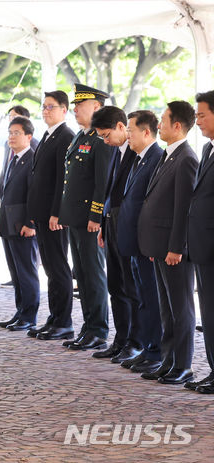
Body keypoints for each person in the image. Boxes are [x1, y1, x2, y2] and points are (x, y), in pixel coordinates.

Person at [138, 101, 198, 385]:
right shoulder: (168, 155)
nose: (158, 125)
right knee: (167, 307)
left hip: (174, 249)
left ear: (177, 125)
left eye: (163, 120)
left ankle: (183, 364)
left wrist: (176, 247)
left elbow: (184, 208)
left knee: (181, 307)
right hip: (160, 246)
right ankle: (169, 360)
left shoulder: (186, 157)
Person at [58, 84, 115, 351]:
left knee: (93, 275)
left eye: (80, 105)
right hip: (75, 218)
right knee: (81, 274)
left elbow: (102, 182)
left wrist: (96, 215)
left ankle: (99, 330)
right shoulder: (80, 136)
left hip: (89, 219)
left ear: (97, 107)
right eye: (75, 105)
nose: (75, 109)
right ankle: (88, 326)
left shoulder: (100, 140)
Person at [116, 110, 164, 374]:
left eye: (131, 131)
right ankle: (147, 348)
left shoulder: (156, 157)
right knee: (142, 298)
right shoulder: (139, 159)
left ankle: (155, 351)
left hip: (146, 244)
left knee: (151, 299)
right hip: (135, 242)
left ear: (146, 132)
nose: (128, 135)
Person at [26, 90, 76, 341]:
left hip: (54, 216)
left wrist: (57, 212)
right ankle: (55, 317)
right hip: (43, 213)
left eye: (51, 107)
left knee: (58, 268)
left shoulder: (66, 135)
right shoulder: (48, 135)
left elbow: (62, 181)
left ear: (64, 110)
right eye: (44, 107)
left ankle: (64, 321)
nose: (46, 111)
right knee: (50, 268)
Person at [90, 106, 139, 362]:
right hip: (110, 226)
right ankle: (120, 340)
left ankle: (135, 342)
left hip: (126, 227)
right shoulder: (114, 152)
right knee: (115, 287)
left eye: (106, 134)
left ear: (122, 127)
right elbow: (108, 192)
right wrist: (102, 225)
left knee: (130, 288)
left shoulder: (135, 153)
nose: (105, 140)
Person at [0, 116, 39, 331]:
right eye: (10, 133)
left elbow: (35, 193)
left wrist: (31, 222)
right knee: (15, 272)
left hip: (23, 224)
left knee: (26, 271)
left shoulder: (32, 158)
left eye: (16, 133)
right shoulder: (13, 158)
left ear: (29, 136)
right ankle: (20, 312)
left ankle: (29, 316)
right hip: (8, 222)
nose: (11, 137)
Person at [186, 90, 214, 393]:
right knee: (208, 313)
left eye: (202, 114)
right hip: (202, 247)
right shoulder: (207, 150)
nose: (198, 121)